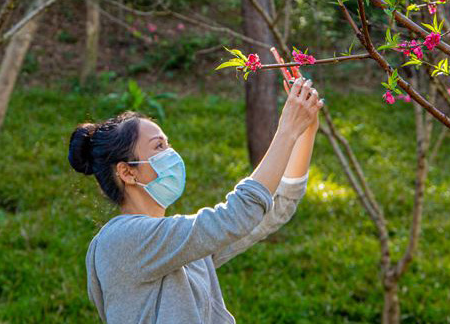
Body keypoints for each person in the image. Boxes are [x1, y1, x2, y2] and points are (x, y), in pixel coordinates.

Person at [69, 77, 323, 324]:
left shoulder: (179, 247)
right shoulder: (121, 241)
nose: (172, 154)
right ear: (127, 172)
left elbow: (277, 207)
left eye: (169, 145)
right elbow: (238, 214)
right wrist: (287, 130)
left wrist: (305, 129)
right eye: (159, 147)